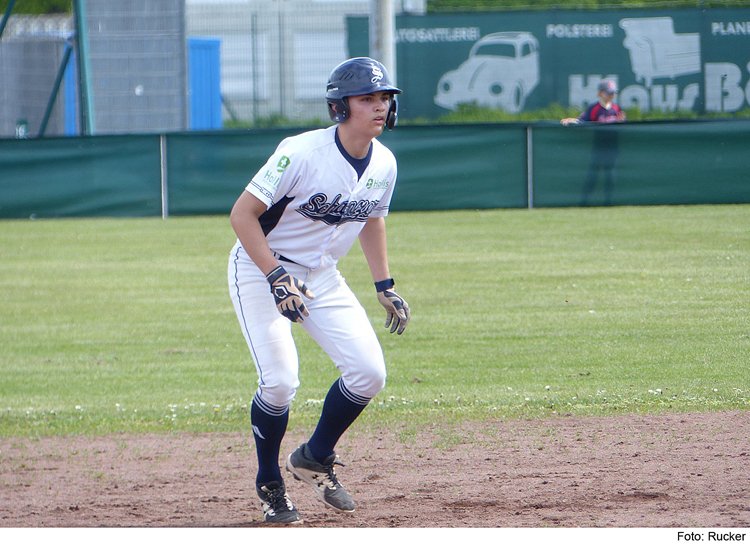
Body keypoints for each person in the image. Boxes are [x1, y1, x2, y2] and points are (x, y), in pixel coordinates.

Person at [227, 57, 410, 525]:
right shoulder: (301, 153)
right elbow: (242, 215)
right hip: (259, 266)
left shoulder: (384, 162)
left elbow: (373, 217)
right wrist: (274, 275)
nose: (379, 106)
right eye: (367, 98)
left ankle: (313, 456)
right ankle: (270, 481)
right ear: (339, 107)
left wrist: (384, 285)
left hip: (323, 274)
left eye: (384, 97)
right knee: (281, 381)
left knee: (369, 373)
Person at [561, 79, 626, 206]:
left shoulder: (616, 108)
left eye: (613, 93)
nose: (611, 95)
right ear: (600, 93)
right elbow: (581, 120)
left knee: (610, 176)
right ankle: (584, 202)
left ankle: (609, 202)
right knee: (593, 176)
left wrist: (620, 121)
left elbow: (623, 123)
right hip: (598, 148)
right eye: (608, 93)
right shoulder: (595, 108)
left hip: (613, 148)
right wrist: (570, 120)